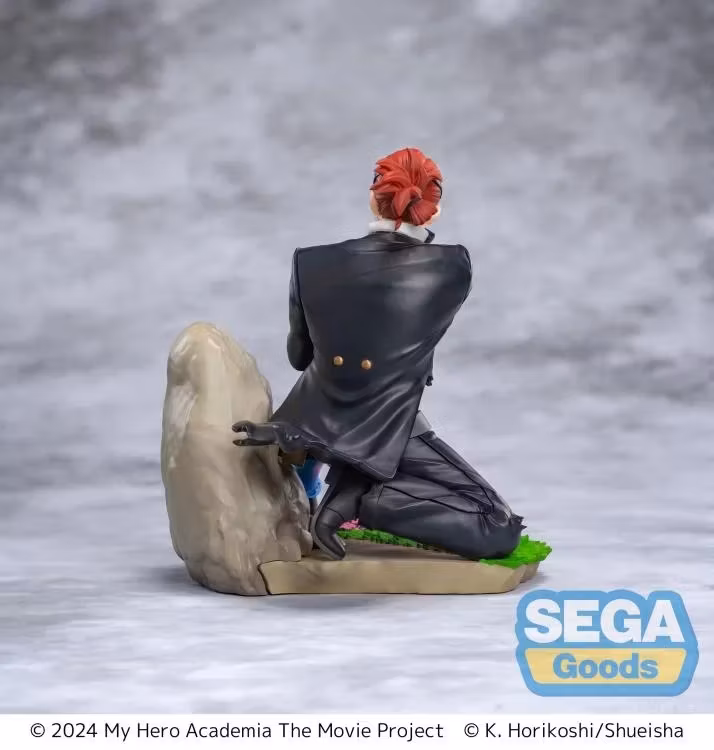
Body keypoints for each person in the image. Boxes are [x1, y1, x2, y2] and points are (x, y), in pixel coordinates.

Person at [233, 148, 524, 561]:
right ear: (434, 209)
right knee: (498, 525)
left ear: (373, 198)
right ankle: (359, 499)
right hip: (393, 423)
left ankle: (348, 484)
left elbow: (299, 357)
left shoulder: (309, 261)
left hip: (317, 418)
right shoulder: (453, 266)